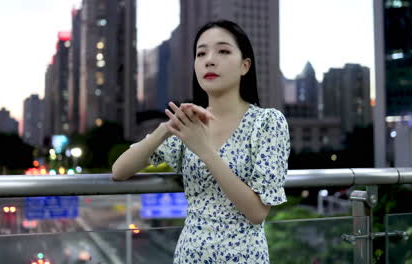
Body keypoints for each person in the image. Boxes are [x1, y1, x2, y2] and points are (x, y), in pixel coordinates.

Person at [112, 20, 290, 263]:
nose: (209, 60)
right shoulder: (190, 125)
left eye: (223, 51)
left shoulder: (267, 122)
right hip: (189, 255)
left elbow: (257, 212)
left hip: (244, 257)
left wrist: (205, 151)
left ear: (244, 66)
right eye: (201, 53)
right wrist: (167, 128)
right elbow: (120, 170)